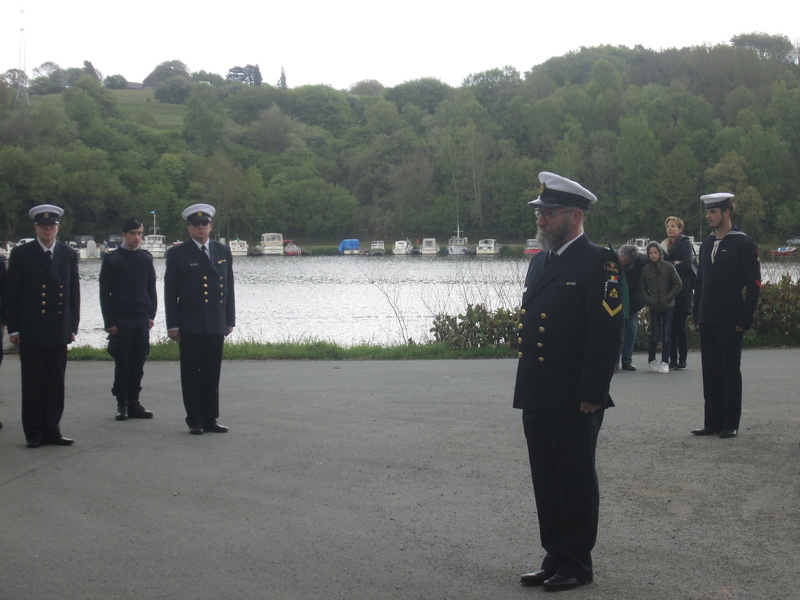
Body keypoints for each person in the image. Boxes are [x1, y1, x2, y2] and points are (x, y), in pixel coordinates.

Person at [514, 172, 623, 592]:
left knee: (575, 478)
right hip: (538, 390)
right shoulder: (541, 261)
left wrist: (593, 393)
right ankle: (554, 555)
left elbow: (605, 333)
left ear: (575, 216)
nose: (541, 220)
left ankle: (577, 562)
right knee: (546, 476)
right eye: (540, 212)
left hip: (575, 394)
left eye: (549, 213)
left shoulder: (599, 261)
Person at [5, 205, 80, 448]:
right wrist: (13, 328)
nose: (48, 229)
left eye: (52, 226)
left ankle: (53, 430)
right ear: (36, 228)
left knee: (56, 383)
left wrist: (73, 326)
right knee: (34, 383)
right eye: (43, 226)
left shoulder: (68, 254)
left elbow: (73, 293)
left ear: (57, 228)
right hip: (32, 328)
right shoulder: (21, 254)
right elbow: (12, 293)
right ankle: (34, 433)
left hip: (58, 327)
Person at [691, 193, 760, 438]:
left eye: (713, 212)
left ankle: (730, 422)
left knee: (730, 371)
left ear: (727, 212)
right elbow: (700, 282)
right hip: (707, 317)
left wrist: (745, 318)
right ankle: (712, 422)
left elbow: (754, 285)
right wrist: (697, 312)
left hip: (730, 319)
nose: (708, 216)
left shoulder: (743, 244)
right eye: (708, 212)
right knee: (710, 371)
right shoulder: (707, 243)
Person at [164, 204, 235, 435]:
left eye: (205, 224)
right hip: (190, 323)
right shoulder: (178, 253)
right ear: (189, 228)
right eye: (196, 224)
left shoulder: (222, 251)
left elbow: (230, 289)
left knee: (212, 373)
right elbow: (170, 291)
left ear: (211, 226)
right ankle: (194, 419)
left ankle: (210, 418)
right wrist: (172, 325)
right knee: (191, 373)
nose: (201, 228)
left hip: (215, 322)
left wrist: (229, 319)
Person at [99, 217, 157, 421]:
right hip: (121, 319)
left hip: (141, 318)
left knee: (138, 361)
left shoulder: (146, 259)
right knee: (122, 362)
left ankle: (134, 402)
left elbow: (151, 289)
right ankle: (121, 403)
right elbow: (104, 294)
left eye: (139, 233)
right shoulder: (113, 260)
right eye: (133, 233)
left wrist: (151, 315)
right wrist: (109, 322)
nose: (136, 237)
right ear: (124, 234)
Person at [641, 241, 682, 374]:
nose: (653, 255)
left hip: (668, 306)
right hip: (654, 306)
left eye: (655, 252)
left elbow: (678, 284)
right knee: (655, 334)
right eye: (651, 253)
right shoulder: (645, 269)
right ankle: (652, 360)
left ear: (659, 253)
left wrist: (669, 297)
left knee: (666, 334)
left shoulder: (668, 267)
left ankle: (665, 362)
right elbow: (642, 288)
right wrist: (648, 299)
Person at [661, 217, 694, 370]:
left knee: (680, 327)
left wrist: (671, 267)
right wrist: (674, 263)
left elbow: (687, 264)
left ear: (680, 229)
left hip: (683, 290)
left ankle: (683, 359)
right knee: (670, 327)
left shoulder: (685, 243)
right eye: (668, 226)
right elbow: (661, 265)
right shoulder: (664, 245)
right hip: (669, 290)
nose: (670, 229)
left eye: (673, 226)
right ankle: (672, 359)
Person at [617, 244, 647, 371]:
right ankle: (613, 363)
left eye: (623, 258)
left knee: (630, 330)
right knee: (617, 333)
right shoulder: (614, 262)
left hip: (634, 301)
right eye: (620, 256)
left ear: (631, 258)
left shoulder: (641, 261)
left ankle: (627, 361)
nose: (621, 259)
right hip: (618, 300)